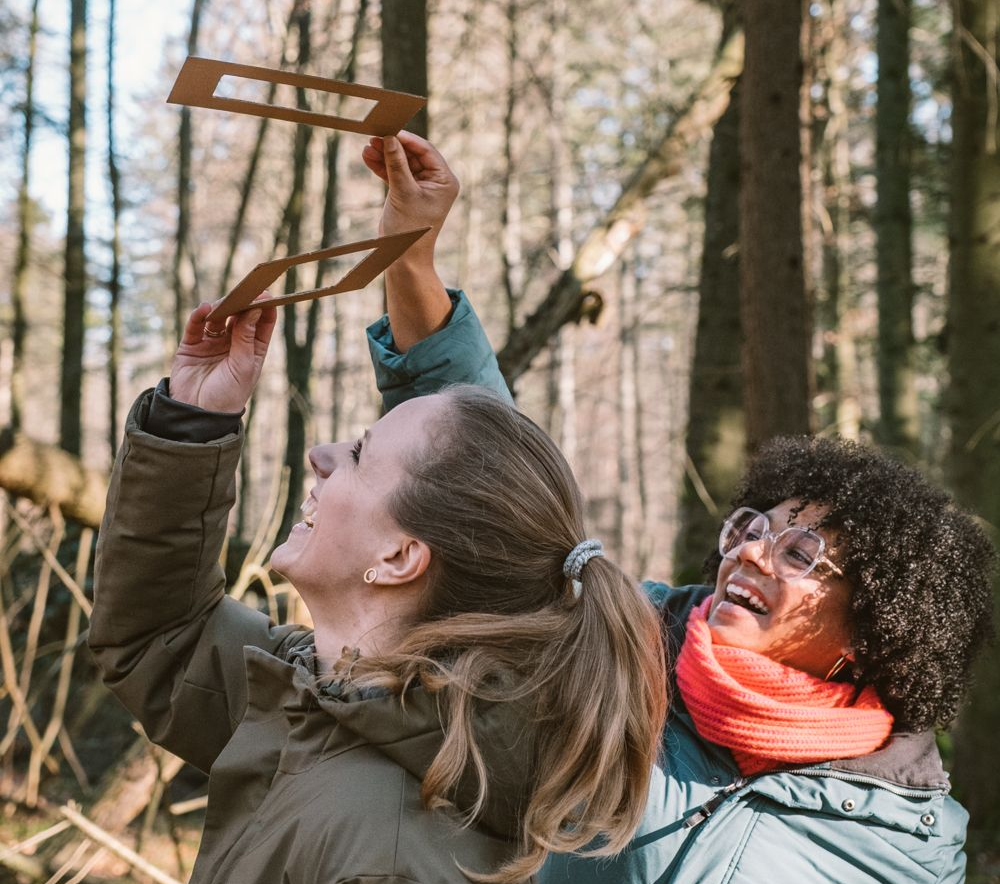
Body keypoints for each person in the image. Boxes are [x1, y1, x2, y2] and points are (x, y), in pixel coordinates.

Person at [359, 130, 996, 884]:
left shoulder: (906, 847)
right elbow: (487, 479)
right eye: (755, 527)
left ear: (874, 628)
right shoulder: (622, 654)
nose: (751, 551)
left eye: (800, 553)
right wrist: (410, 258)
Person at [88, 281, 668, 877]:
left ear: (399, 558)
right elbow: (162, 638)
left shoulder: (385, 858)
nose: (320, 453)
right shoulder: (336, 694)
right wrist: (194, 420)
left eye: (360, 455)